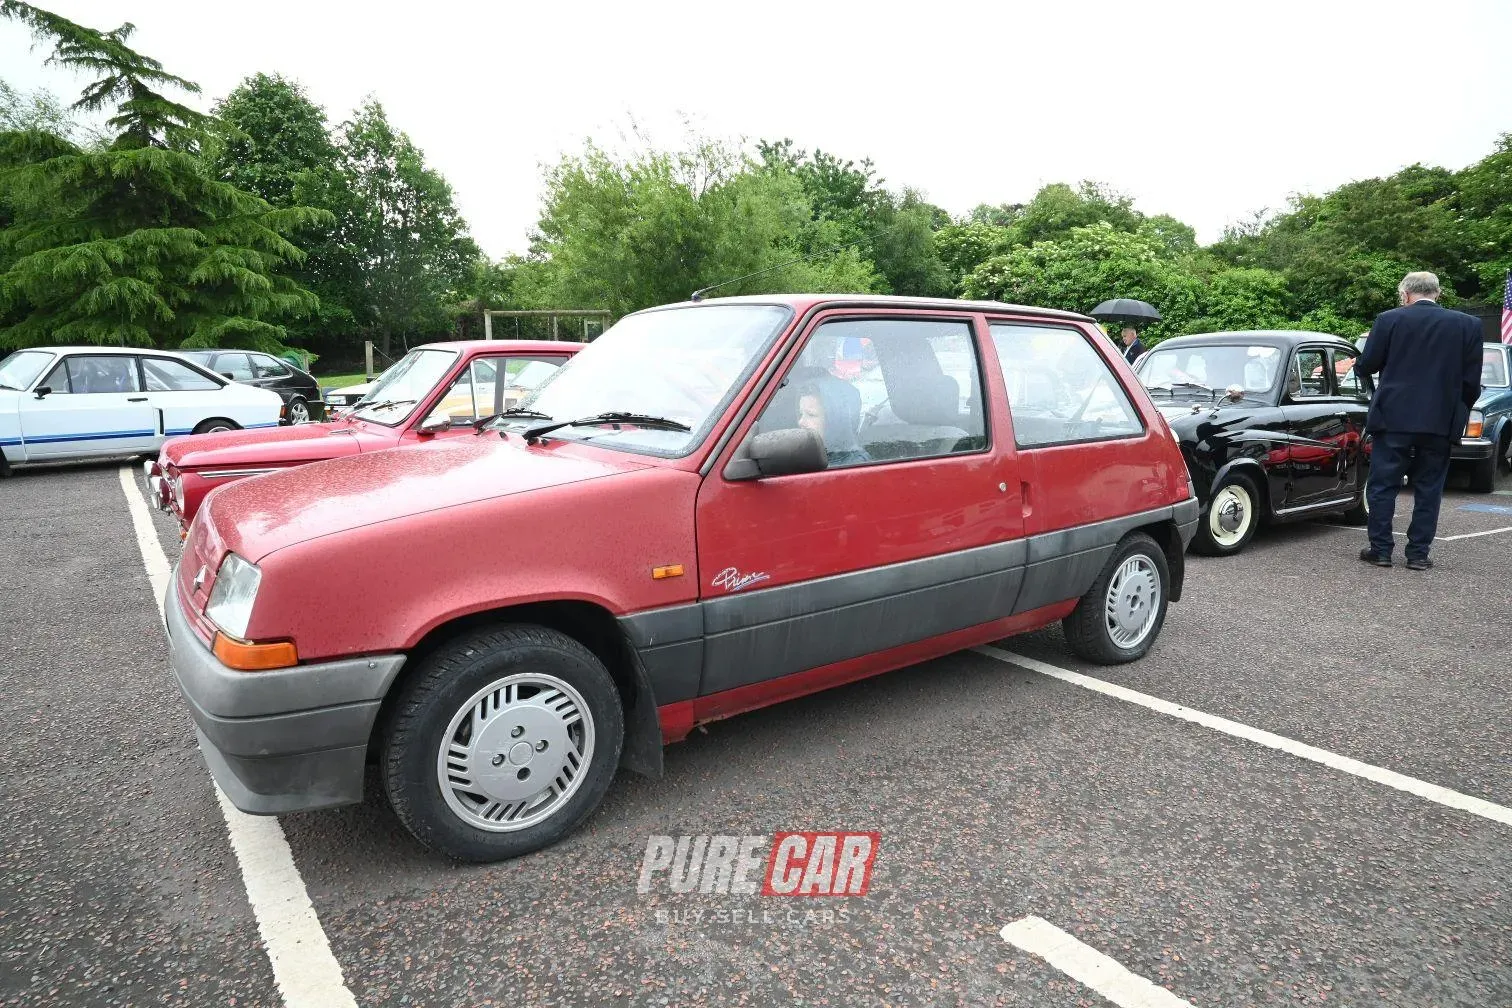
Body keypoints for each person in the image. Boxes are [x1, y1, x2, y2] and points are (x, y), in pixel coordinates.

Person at [1355, 271, 1483, 571]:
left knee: (1383, 485)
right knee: (1429, 487)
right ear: (1437, 293)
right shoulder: (1468, 325)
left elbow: (1368, 365)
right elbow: (1471, 382)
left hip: (1393, 418)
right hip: (1439, 420)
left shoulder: (1389, 320)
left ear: (1405, 294)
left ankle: (1381, 550)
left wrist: (1361, 366)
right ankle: (1418, 555)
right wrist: (1457, 411)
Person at [795, 380, 869, 466]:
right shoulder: (811, 455)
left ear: (834, 420)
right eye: (801, 414)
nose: (800, 422)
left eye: (811, 415)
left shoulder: (856, 465)